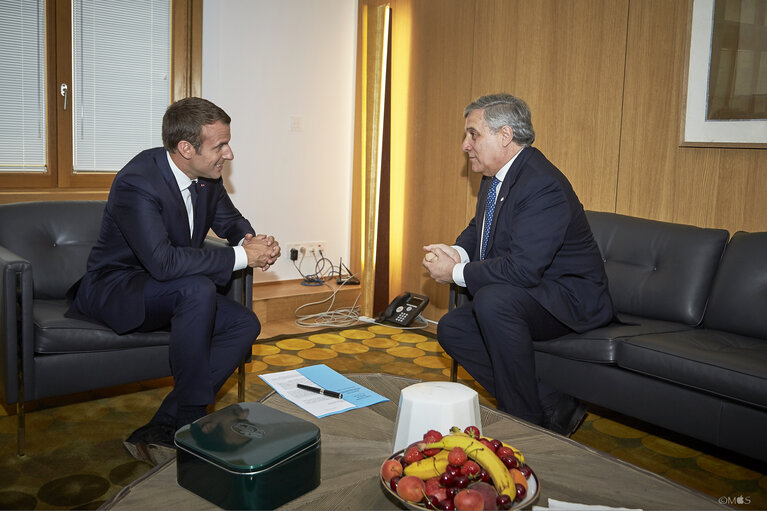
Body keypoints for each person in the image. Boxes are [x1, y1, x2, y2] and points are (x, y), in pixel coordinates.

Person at [66, 97, 280, 463]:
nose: (229, 154)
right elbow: (163, 263)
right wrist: (243, 257)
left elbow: (228, 220)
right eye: (220, 146)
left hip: (172, 289)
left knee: (244, 323)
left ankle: (164, 425)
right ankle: (192, 422)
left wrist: (250, 240)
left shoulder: (205, 175)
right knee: (196, 287)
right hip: (118, 287)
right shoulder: (137, 182)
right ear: (186, 148)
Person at [423, 93, 613, 436]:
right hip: (534, 292)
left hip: (570, 299)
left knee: (494, 301)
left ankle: (524, 428)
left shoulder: (541, 184)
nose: (465, 145)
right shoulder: (495, 177)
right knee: (453, 327)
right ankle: (551, 405)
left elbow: (524, 269)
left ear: (505, 136)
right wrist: (458, 253)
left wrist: (454, 273)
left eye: (473, 134)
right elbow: (478, 228)